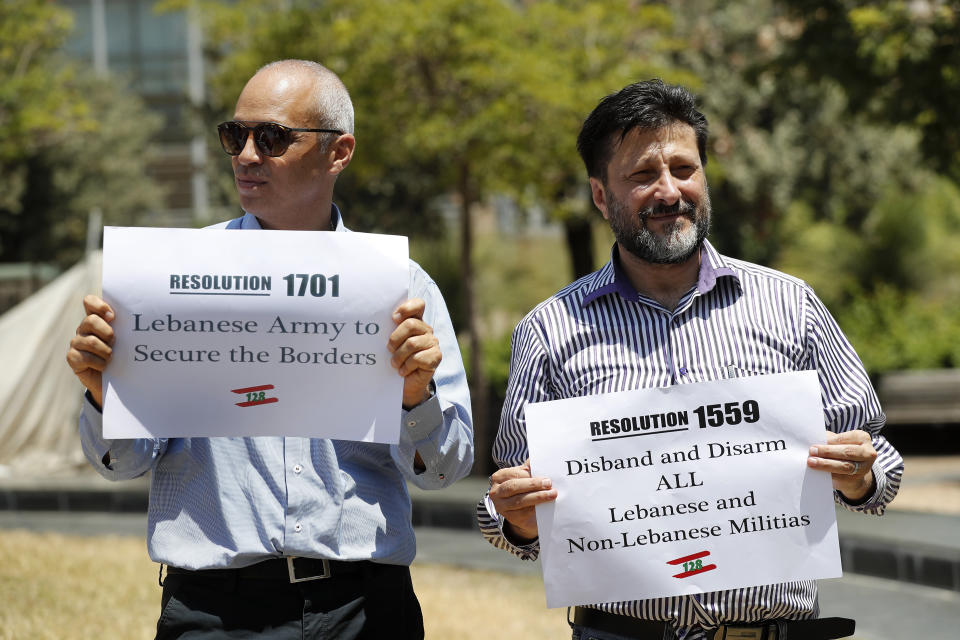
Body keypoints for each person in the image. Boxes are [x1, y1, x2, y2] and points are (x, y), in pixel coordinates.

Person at [477, 80, 903, 640]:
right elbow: (506, 500)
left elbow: (881, 465)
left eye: (684, 168)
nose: (669, 191)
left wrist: (862, 476)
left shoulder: (789, 305)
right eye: (641, 175)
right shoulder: (548, 332)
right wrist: (516, 519)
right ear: (601, 196)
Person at [66, 59, 473, 640]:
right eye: (235, 135)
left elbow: (445, 470)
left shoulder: (402, 290)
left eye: (273, 137)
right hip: (213, 612)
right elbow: (124, 463)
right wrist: (104, 394)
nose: (247, 155)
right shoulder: (172, 278)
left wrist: (415, 398)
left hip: (363, 609)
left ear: (339, 152)